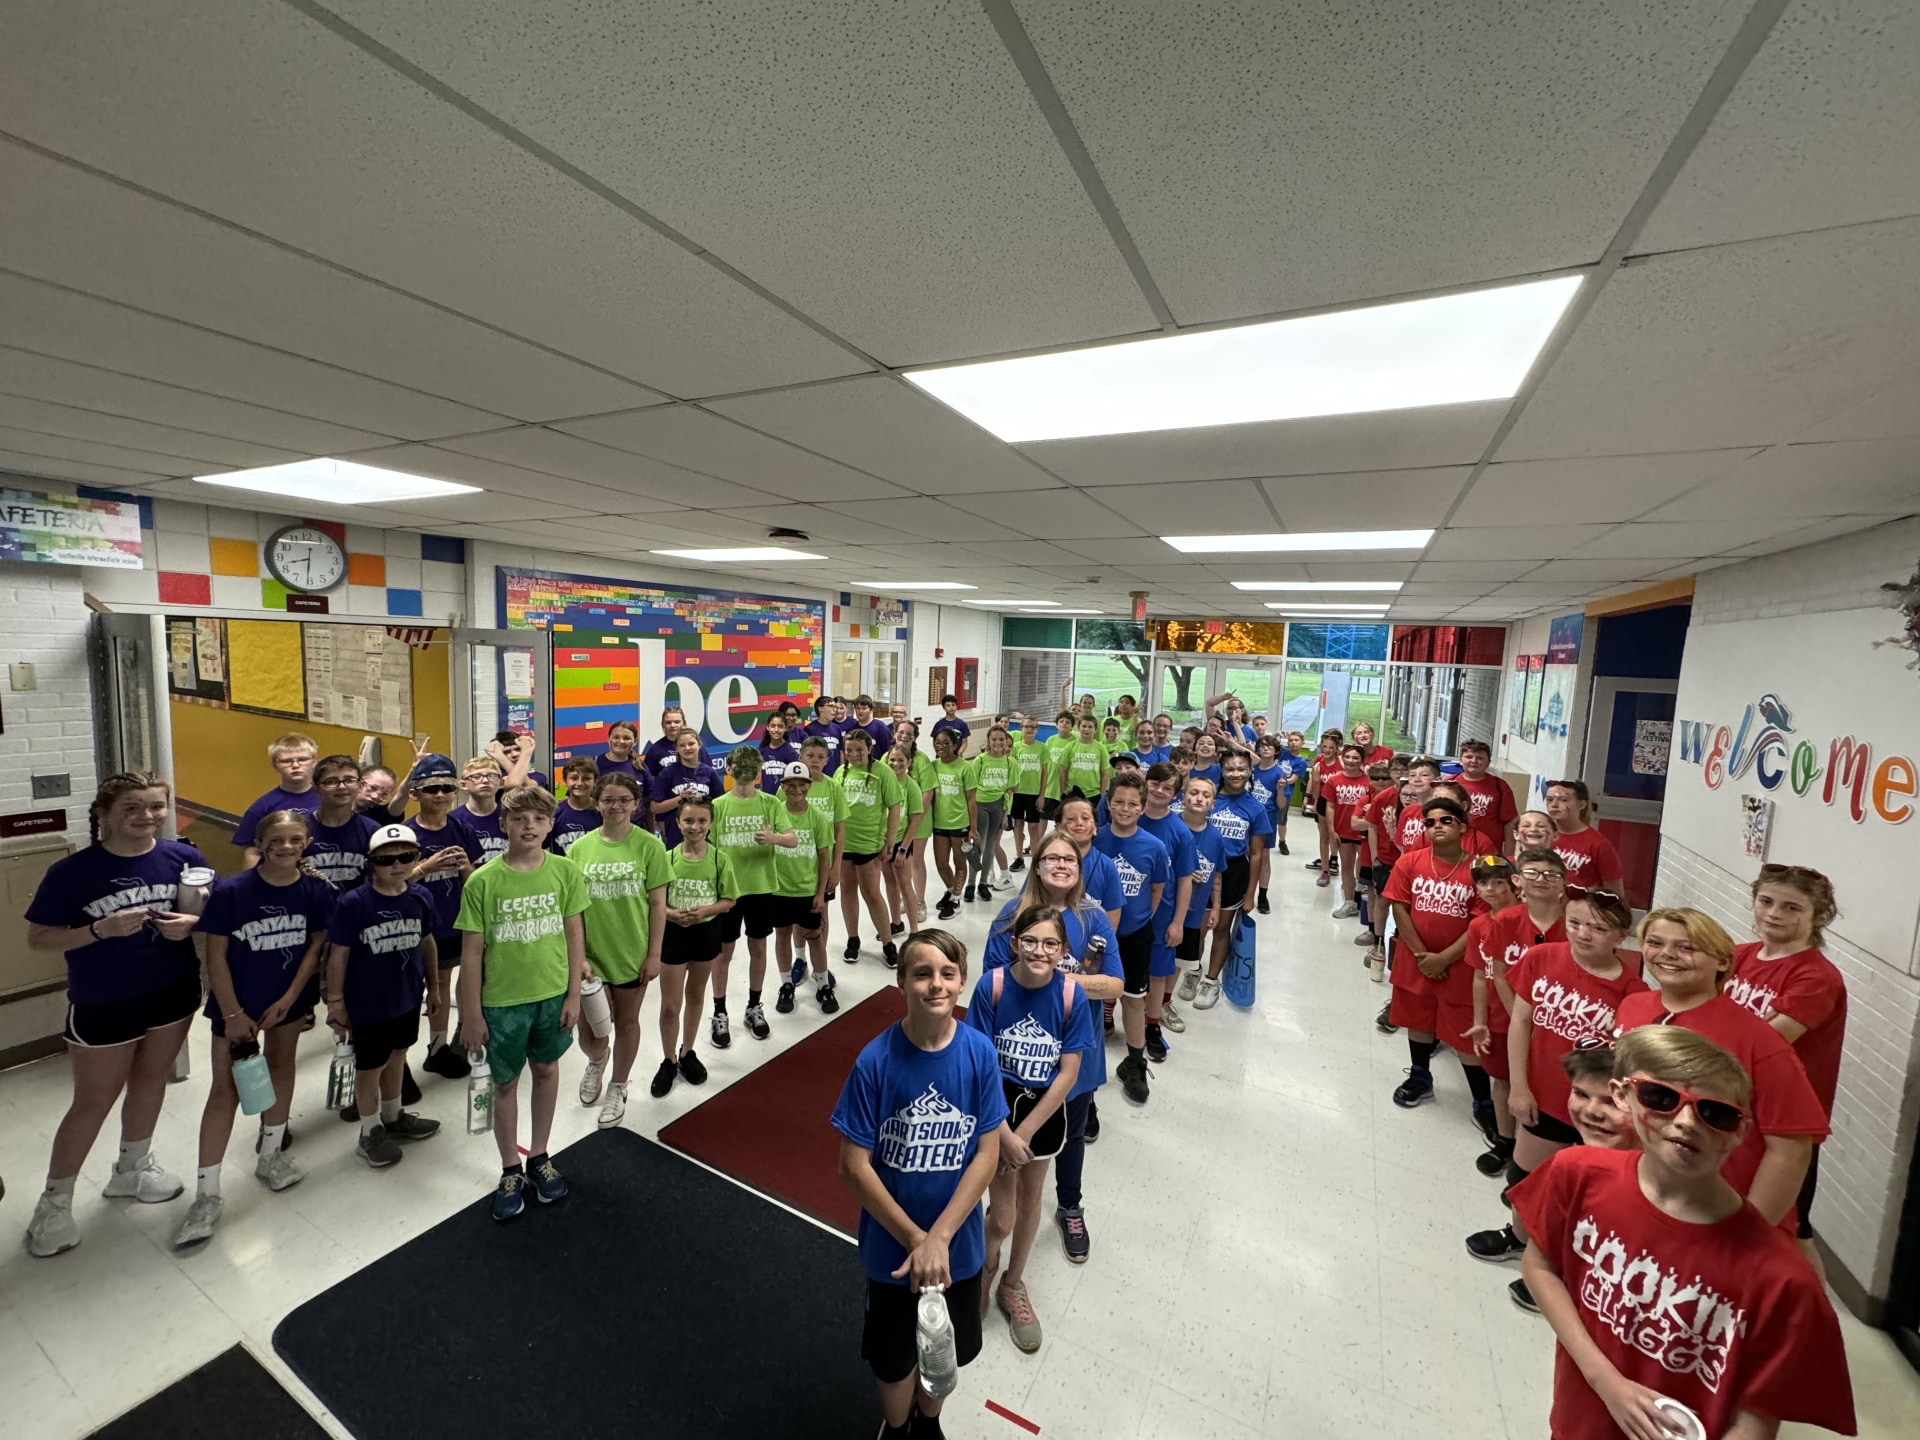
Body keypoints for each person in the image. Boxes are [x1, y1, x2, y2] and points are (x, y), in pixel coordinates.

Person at [1512, 1027, 1856, 1439]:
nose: (1687, 1122)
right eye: (1662, 1099)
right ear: (1625, 1095)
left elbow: (1757, 1417)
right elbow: (1539, 1265)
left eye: (1716, 1113)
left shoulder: (1780, 1279)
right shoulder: (1577, 1175)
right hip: (1577, 1421)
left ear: (1741, 1131)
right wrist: (1605, 1381)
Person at [832, 930, 1006, 1440]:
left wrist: (941, 1238)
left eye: (947, 974)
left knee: (943, 1347)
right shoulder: (874, 1063)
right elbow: (853, 1167)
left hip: (959, 1250)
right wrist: (916, 1239)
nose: (936, 984)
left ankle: (928, 1423)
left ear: (962, 982)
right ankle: (896, 1425)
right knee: (893, 1359)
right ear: (902, 982)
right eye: (922, 973)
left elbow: (987, 1153)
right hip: (893, 1251)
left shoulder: (979, 1054)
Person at [25, 773, 204, 1258]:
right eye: (132, 807)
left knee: (151, 1080)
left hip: (173, 988)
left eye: (155, 806)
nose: (146, 816)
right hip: (104, 998)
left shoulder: (184, 857)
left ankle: (131, 1169)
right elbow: (39, 938)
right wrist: (99, 930)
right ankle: (54, 1202)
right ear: (103, 813)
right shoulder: (73, 872)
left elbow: (208, 910)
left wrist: (194, 922)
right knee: (93, 1100)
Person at [173, 810, 334, 1246]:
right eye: (276, 840)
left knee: (282, 1068)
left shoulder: (315, 890)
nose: (286, 847)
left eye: (295, 839)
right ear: (260, 843)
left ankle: (271, 1155)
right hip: (237, 1005)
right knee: (226, 1089)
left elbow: (315, 944)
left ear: (307, 842)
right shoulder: (232, 890)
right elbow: (216, 955)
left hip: (287, 1001)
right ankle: (207, 1193)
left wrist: (290, 1000)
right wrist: (231, 1013)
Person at [1616, 907, 1827, 1233]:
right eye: (1655, 942)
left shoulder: (1758, 1041)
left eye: (1687, 947)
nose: (1667, 954)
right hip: (1644, 1192)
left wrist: (1747, 1232)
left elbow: (1790, 1149)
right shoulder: (1634, 1007)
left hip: (1716, 1208)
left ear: (1723, 962)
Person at [1466, 888, 1643, 1269]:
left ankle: (1559, 1262)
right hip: (1541, 1094)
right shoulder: (1542, 957)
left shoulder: (1632, 992)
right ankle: (1517, 1238)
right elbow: (1521, 1021)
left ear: (1621, 934)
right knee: (1523, 1178)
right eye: (1575, 923)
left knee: (1576, 1191)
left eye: (1597, 927)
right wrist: (1519, 1086)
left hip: (1592, 1109)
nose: (1582, 933)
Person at [982, 834, 1120, 1259]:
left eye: (1070, 858)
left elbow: (1115, 983)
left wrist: (1058, 981)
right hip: (1014, 1058)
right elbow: (993, 981)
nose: (1061, 864)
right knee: (1007, 1158)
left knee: (1070, 1136)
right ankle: (991, 1248)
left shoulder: (1093, 917)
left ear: (1079, 867)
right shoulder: (1010, 916)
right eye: (1051, 857)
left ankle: (1070, 1207)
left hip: (1072, 1055)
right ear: (1037, 865)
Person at [454, 785, 589, 1219]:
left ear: (551, 825)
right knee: (506, 1083)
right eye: (518, 819)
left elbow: (574, 935)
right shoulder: (483, 881)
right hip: (501, 1002)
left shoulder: (565, 872)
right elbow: (472, 953)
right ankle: (510, 1165)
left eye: (537, 819)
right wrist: (470, 1014)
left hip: (551, 996)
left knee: (547, 1070)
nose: (528, 826)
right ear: (503, 825)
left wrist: (573, 994)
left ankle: (541, 1155)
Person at [969, 908, 1092, 1354]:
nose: (1039, 951)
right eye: (1031, 941)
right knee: (1000, 1216)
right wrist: (1002, 1131)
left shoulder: (1070, 996)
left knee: (1030, 1203)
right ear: (1015, 943)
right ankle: (984, 1268)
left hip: (1042, 1111)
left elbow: (1068, 1071)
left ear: (1063, 951)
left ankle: (1012, 1284)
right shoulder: (993, 986)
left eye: (1050, 944)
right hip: (995, 1108)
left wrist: (1024, 1132)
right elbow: (979, 1063)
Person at [1728, 864, 1847, 1245]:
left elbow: (1765, 1044)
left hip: (1784, 1123)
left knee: (1786, 1233)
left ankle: (1808, 1304)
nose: (1774, 914)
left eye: (1792, 907)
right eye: (1766, 901)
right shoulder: (1738, 956)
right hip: (1736, 1109)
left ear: (1820, 916)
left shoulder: (1816, 977)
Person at [325, 824, 442, 1169]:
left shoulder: (420, 896)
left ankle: (393, 1117)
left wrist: (434, 986)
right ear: (371, 862)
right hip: (368, 1001)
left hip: (406, 995)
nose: (397, 864)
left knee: (398, 1055)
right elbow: (338, 954)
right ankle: (369, 1129)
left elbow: (427, 941)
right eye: (386, 859)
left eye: (407, 856)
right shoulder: (355, 903)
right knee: (369, 1067)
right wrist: (335, 1001)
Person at [566, 772, 669, 1128]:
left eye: (624, 800)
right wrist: (576, 957)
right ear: (597, 803)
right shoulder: (579, 849)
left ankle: (618, 1084)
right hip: (590, 956)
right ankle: (597, 1060)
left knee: (626, 1022)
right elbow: (573, 910)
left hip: (631, 952)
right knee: (590, 1030)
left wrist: (654, 954)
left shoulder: (650, 846)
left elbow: (658, 906)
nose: (616, 806)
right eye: (608, 799)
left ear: (636, 804)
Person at [1466, 848, 1568, 1177]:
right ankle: (1505, 1141)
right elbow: (1494, 973)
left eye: (1550, 875)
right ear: (1519, 880)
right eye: (1533, 873)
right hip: (1506, 1017)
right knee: (1505, 1080)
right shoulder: (1507, 920)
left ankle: (1541, 1156)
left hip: (1557, 1023)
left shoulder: (1574, 923)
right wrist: (1517, 1020)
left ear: (1563, 883)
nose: (1541, 880)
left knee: (1547, 1086)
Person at [1379, 797, 1483, 1104]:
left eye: (1445, 820)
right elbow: (1399, 908)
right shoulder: (1409, 862)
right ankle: (1420, 1077)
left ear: (1462, 826)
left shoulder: (1478, 869)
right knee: (1418, 1021)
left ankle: (1482, 1101)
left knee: (1464, 1032)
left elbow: (1480, 923)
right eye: (1430, 822)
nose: (1437, 826)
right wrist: (1423, 955)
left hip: (1461, 964)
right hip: (1417, 960)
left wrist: (1444, 958)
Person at [395, 758, 482, 1080]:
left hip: (452, 923)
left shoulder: (461, 828)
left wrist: (464, 869)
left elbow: (474, 882)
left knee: (442, 987)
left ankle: (437, 1047)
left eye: (447, 788)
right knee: (408, 993)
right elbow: (390, 886)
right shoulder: (404, 833)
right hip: (411, 928)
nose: (441, 795)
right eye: (432, 789)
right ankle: (396, 1060)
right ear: (416, 793)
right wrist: (423, 868)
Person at [1093, 773, 1169, 1105]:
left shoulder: (1154, 846)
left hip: (1135, 935)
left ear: (1142, 807)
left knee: (1133, 999)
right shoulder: (1096, 840)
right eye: (1118, 802)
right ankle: (1085, 1070)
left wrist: (1138, 921)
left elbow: (1155, 890)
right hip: (1095, 934)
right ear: (1108, 804)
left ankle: (1135, 1063)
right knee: (1090, 999)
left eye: (1132, 804)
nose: (1125, 809)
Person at [650, 794, 733, 1097]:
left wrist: (705, 911)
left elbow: (729, 900)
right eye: (688, 820)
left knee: (696, 995)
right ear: (677, 822)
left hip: (706, 934)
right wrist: (672, 914)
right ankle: (669, 1059)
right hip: (673, 936)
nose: (694, 826)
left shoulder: (719, 858)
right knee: (670, 1005)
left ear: (711, 824)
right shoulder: (666, 858)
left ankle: (688, 1052)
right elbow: (655, 901)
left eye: (701, 821)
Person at [1439, 855, 1518, 1156]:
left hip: (1526, 1016)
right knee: (1501, 1080)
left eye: (1499, 882)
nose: (1490, 889)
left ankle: (1526, 1148)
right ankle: (1505, 1140)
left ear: (1515, 883)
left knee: (1527, 1083)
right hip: (1496, 1016)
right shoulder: (1478, 926)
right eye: (1483, 883)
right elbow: (1478, 978)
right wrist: (1480, 1020)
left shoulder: (1528, 921)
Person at [711, 746, 787, 1045]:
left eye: (750, 767)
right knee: (723, 953)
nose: (744, 772)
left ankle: (754, 1006)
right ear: (728, 769)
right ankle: (719, 1011)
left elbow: (792, 838)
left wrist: (774, 838)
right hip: (729, 891)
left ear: (759, 771)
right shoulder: (717, 805)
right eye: (738, 766)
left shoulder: (770, 803)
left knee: (758, 948)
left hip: (760, 887)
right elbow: (709, 850)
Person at [1192, 754, 1273, 1010]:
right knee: (1198, 927)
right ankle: (1193, 968)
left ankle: (1211, 980)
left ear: (1250, 771)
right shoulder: (1209, 797)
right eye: (1230, 768)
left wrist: (1251, 894)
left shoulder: (1255, 808)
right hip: (1201, 869)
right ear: (1222, 770)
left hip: (1234, 872)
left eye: (1241, 768)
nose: (1236, 773)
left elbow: (1257, 853)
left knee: (1221, 928)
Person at [1136, 762, 1199, 1046]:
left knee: (1158, 972)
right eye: (1155, 783)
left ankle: (1151, 1025)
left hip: (1162, 917)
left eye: (1167, 788)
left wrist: (1177, 922)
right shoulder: (1128, 818)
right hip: (1125, 913)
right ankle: (1108, 1015)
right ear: (1145, 783)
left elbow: (1186, 880)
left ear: (1175, 795)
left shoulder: (1180, 832)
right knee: (1120, 966)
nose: (1159, 791)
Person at [769, 761, 839, 1015]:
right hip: (779, 890)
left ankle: (822, 984)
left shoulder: (817, 818)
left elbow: (824, 858)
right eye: (791, 785)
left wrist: (820, 893)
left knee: (815, 938)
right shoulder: (775, 814)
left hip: (807, 890)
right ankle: (786, 983)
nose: (796, 790)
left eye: (802, 785)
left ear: (809, 787)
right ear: (783, 786)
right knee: (782, 936)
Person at [836, 727, 906, 965]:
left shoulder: (882, 772)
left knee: (872, 893)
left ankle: (887, 942)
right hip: (844, 844)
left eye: (859, 750)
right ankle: (852, 939)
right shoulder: (840, 773)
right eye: (849, 750)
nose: (854, 754)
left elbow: (894, 808)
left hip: (869, 845)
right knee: (847, 890)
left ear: (869, 749)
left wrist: (889, 841)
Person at [235, 732, 322, 865]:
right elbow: (252, 851)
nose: (295, 765)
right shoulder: (263, 806)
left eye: (303, 759)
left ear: (314, 762)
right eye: (287, 761)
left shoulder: (326, 798)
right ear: (275, 765)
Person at [302, 753, 380, 888]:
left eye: (349, 780)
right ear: (316, 789)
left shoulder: (372, 831)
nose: (342, 786)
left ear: (360, 785)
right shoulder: (297, 828)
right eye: (331, 781)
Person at [928, 729, 976, 920]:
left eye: (946, 743)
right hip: (939, 822)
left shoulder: (965, 767)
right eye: (938, 742)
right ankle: (952, 890)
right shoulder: (933, 766)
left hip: (960, 823)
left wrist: (973, 828)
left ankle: (955, 900)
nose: (941, 746)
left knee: (959, 862)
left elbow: (972, 799)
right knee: (941, 864)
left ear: (955, 745)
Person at [1324, 744, 1375, 922]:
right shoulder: (1334, 781)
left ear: (1362, 761)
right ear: (1342, 758)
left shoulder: (1369, 782)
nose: (1351, 761)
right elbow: (1330, 806)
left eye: (1355, 758)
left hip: (1363, 831)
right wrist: (1331, 830)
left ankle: (1362, 898)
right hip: (1342, 830)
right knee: (1346, 866)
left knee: (1362, 867)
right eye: (1348, 757)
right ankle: (1349, 902)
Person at [1544, 780, 1624, 891]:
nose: (1554, 805)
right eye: (1549, 799)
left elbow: (1615, 892)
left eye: (1563, 800)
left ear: (1581, 804)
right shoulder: (1542, 835)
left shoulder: (1599, 844)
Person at [650, 726, 722, 850]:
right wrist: (680, 798)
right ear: (676, 748)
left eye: (691, 744)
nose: (687, 748)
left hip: (705, 834)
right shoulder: (667, 774)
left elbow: (720, 804)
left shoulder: (709, 772)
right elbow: (654, 807)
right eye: (682, 745)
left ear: (699, 745)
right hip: (676, 835)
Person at [884, 745, 929, 939]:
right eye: (892, 760)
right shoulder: (883, 783)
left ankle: (914, 930)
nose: (896, 764)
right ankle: (895, 922)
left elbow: (916, 820)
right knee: (889, 882)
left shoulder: (911, 787)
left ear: (909, 762)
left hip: (901, 842)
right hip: (884, 843)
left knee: (904, 883)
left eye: (901, 760)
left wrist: (903, 849)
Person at [966, 725, 1015, 899]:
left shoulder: (1011, 762)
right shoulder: (980, 760)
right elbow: (971, 790)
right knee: (978, 845)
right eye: (994, 739)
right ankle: (970, 884)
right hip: (980, 804)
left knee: (990, 846)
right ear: (988, 741)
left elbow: (1011, 789)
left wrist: (1005, 813)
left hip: (998, 805)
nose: (998, 743)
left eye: (1001, 739)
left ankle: (983, 883)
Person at [1454, 740, 1517, 852]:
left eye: (1480, 758)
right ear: (1460, 760)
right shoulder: (1450, 783)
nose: (1474, 761)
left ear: (1488, 762)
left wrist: (1509, 856)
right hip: (1454, 847)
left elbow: (1510, 823)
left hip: (1489, 849)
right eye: (1469, 757)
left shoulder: (1500, 786)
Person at [1007, 714, 1051, 873]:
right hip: (1018, 793)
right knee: (1017, 826)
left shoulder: (1042, 748)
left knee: (1033, 827)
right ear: (1021, 729)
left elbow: (1045, 773)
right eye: (1027, 726)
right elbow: (1011, 770)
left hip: (1034, 794)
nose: (1030, 729)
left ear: (1037, 729)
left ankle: (1035, 858)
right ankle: (1019, 858)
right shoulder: (1016, 748)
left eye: (1033, 727)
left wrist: (1042, 795)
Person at [457, 753, 510, 863]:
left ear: (501, 783)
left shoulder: (511, 816)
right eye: (476, 777)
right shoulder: (454, 821)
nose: (485, 781)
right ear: (463, 785)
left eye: (492, 776)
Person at [548, 758, 602, 854]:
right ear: (565, 780)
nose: (580, 783)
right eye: (574, 778)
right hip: (564, 868)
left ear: (595, 781)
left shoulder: (603, 811)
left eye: (586, 778)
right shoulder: (554, 813)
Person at [641, 706, 698, 778]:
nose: (672, 725)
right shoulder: (654, 750)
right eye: (668, 722)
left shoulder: (694, 747)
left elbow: (708, 774)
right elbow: (649, 780)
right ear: (663, 725)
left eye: (677, 722)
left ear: (684, 723)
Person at [756, 712, 800, 794]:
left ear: (786, 728)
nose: (776, 730)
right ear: (767, 727)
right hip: (766, 799)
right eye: (773, 726)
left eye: (780, 726)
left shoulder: (790, 752)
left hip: (784, 798)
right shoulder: (762, 751)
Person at [802, 695, 845, 775]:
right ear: (820, 708)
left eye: (835, 707)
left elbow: (841, 752)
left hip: (835, 774)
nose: (834, 710)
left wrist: (841, 771)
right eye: (831, 706)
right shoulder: (809, 729)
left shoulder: (837, 729)